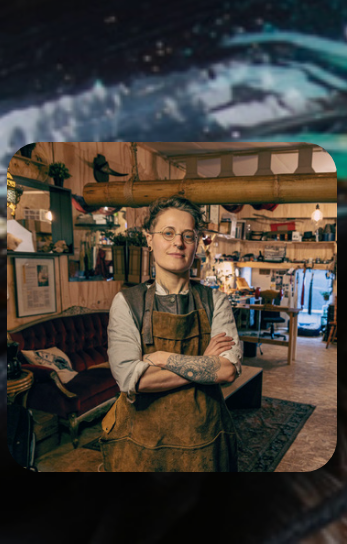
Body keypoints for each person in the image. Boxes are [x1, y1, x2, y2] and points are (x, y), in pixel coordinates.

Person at [101, 195, 242, 471]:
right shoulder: (127, 302)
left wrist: (162, 358)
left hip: (205, 440)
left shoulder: (216, 301)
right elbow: (131, 379)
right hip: (139, 444)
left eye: (188, 236)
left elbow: (227, 371)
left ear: (196, 244)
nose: (178, 243)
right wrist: (205, 363)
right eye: (168, 233)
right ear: (149, 239)